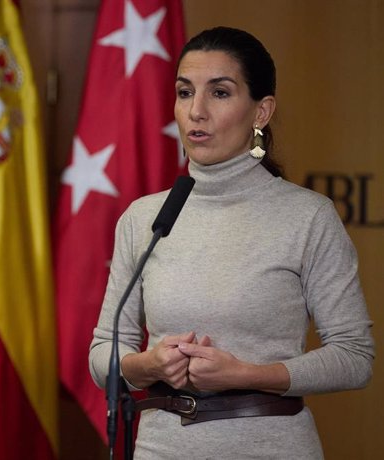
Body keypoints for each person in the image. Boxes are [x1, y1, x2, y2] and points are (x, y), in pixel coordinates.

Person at [88, 26, 374, 459]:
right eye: (185, 92)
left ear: (261, 112)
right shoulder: (144, 218)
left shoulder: (308, 216)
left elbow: (354, 357)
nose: (196, 111)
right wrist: (146, 365)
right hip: (159, 448)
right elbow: (104, 351)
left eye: (219, 93)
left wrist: (248, 374)